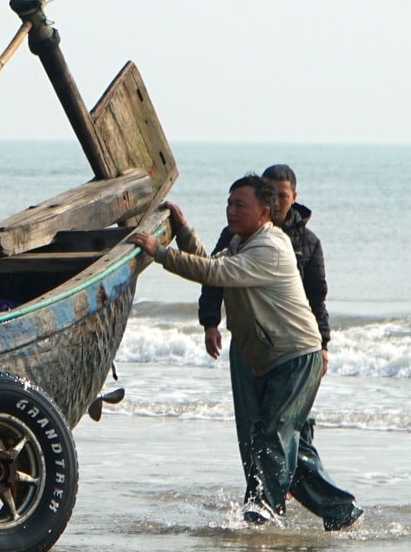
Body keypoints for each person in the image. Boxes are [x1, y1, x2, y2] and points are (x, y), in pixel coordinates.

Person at [129, 176, 363, 530]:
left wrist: (160, 252)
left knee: (272, 436)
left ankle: (262, 512)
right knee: (288, 449)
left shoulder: (270, 246)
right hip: (261, 357)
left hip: (295, 355)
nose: (232, 210)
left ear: (264, 212)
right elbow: (214, 267)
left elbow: (215, 271)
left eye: (241, 205)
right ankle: (341, 512)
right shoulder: (241, 242)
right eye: (229, 203)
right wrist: (184, 232)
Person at [198, 164, 327, 361]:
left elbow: (316, 297)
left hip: (289, 346)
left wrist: (323, 346)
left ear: (294, 197)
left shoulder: (308, 242)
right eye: (270, 193)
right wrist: (210, 324)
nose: (275, 202)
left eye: (282, 195)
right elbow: (213, 275)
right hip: (247, 339)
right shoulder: (236, 233)